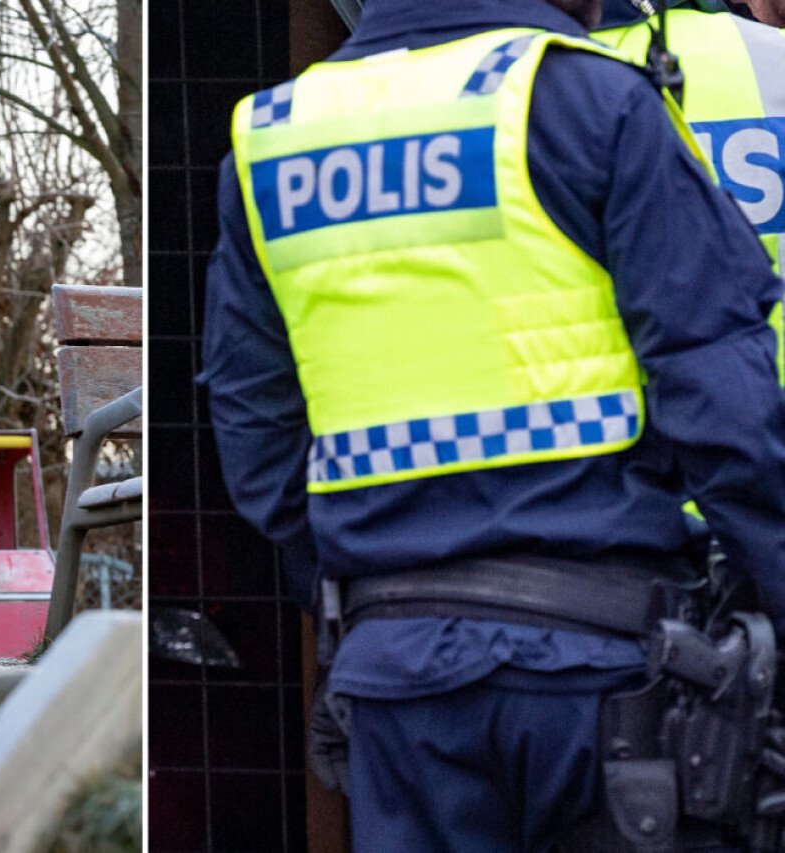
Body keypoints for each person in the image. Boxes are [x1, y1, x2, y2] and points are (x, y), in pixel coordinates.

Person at [200, 0, 785, 848]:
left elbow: (254, 427)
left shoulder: (271, 138)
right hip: (603, 681)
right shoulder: (593, 100)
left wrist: (357, 605)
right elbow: (720, 399)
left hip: (399, 681)